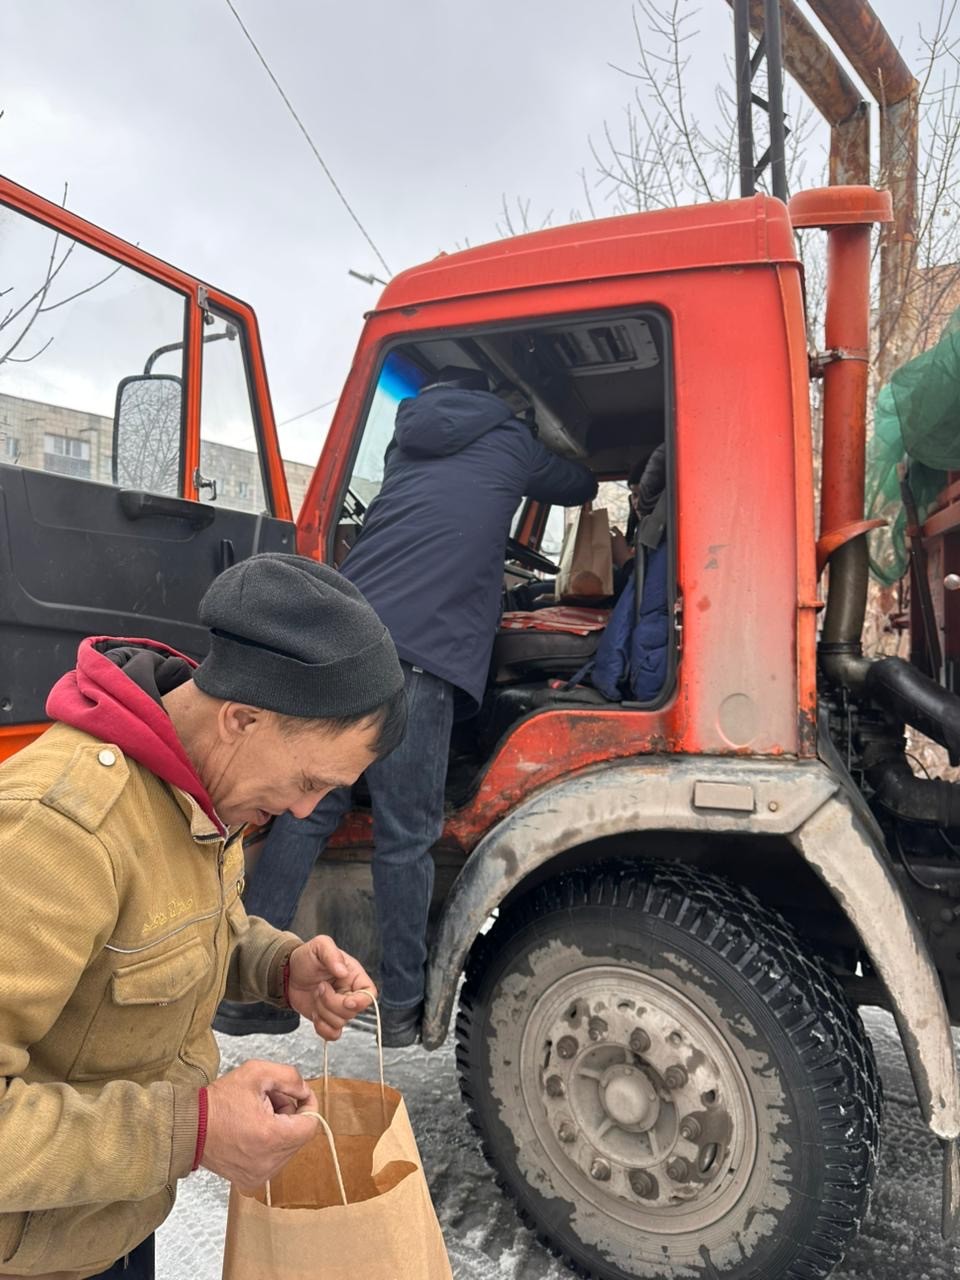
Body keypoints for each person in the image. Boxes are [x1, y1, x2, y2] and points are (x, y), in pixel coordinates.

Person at [0, 552, 406, 1280]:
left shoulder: (195, 783)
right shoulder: (58, 831)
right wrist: (193, 1130)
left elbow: (158, 925)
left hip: (107, 1222)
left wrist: (277, 966)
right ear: (242, 718)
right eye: (310, 781)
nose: (306, 811)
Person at [215, 367, 597, 1048]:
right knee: (406, 835)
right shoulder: (509, 441)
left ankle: (244, 993)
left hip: (348, 640)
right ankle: (398, 1006)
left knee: (310, 812)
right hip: (420, 660)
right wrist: (536, 425)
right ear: (490, 395)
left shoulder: (405, 442)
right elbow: (580, 486)